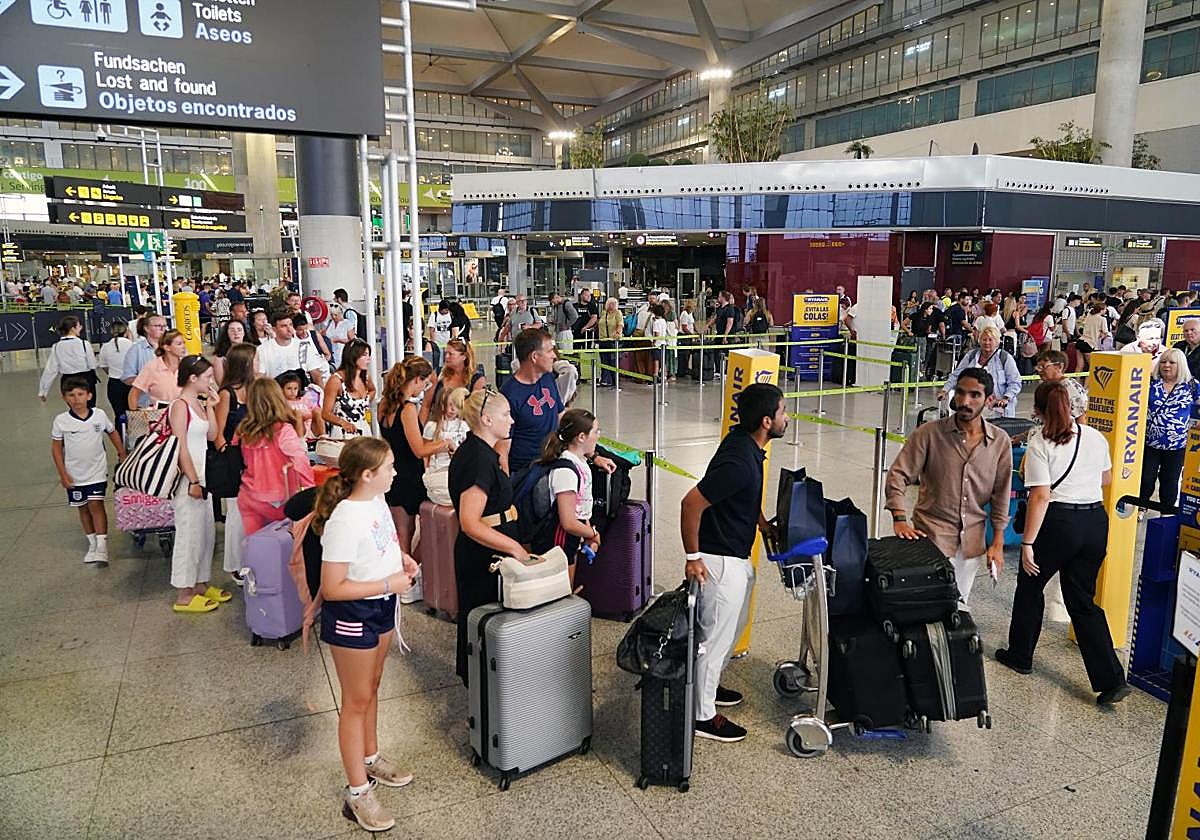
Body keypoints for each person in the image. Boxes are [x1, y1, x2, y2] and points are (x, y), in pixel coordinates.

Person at [995, 383, 1131, 706]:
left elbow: (1040, 496)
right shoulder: (1094, 436)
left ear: (1039, 411)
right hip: (1095, 522)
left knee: (1030, 584)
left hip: (1058, 523)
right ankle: (1111, 679)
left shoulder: (1040, 443)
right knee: (1081, 598)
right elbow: (1106, 479)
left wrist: (1028, 543)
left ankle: (1021, 655)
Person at [313, 436, 417, 832]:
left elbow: (381, 546)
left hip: (381, 604)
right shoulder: (343, 518)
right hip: (353, 611)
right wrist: (388, 583)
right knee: (355, 701)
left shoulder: (376, 503)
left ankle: (371, 757)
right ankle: (357, 791)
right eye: (389, 467)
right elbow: (333, 587)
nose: (396, 472)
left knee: (371, 687)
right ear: (367, 474)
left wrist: (400, 560)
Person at [681, 383, 786, 743]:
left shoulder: (747, 444)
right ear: (767, 421)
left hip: (737, 554)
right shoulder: (741, 461)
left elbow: (743, 496)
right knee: (715, 638)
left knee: (731, 630)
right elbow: (690, 503)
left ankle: (705, 688)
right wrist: (693, 557)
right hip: (718, 561)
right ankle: (701, 715)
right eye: (783, 413)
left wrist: (761, 524)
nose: (787, 418)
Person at [886, 367, 1011, 607]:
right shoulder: (929, 434)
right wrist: (899, 517)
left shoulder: (999, 442)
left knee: (959, 606)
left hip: (972, 541)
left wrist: (997, 542)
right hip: (931, 536)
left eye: (975, 395)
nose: (965, 401)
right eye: (961, 393)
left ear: (989, 400)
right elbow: (898, 474)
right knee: (927, 608)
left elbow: (1001, 495)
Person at [449, 388, 529, 685]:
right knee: (484, 619)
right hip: (484, 554)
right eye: (505, 414)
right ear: (486, 419)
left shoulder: (482, 452)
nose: (511, 420)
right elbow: (470, 522)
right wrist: (514, 548)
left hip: (491, 548)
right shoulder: (478, 459)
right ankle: (484, 688)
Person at [168, 355, 226, 614]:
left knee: (205, 533)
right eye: (207, 378)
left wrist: (211, 406)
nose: (211, 382)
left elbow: (212, 435)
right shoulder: (179, 406)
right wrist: (191, 479)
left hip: (203, 477)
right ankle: (184, 593)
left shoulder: (197, 404)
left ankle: (200, 584)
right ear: (192, 378)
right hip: (188, 479)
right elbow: (179, 446)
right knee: (189, 535)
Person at [50, 375, 126, 566]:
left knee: (96, 505)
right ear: (65, 398)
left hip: (96, 472)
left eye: (80, 394)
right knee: (83, 508)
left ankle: (102, 546)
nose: (76, 399)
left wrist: (121, 452)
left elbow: (112, 432)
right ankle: (91, 543)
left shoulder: (99, 415)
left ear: (89, 395)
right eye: (72, 395)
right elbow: (56, 449)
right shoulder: (61, 421)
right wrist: (63, 474)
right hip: (74, 475)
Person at [379, 357, 449, 556]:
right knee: (423, 531)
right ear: (417, 380)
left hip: (394, 472)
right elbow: (418, 449)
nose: (424, 390)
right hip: (410, 475)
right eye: (425, 384)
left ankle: (404, 576)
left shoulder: (384, 405)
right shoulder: (408, 409)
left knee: (402, 534)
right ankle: (410, 575)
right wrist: (445, 444)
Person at [235, 377, 315, 538]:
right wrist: (311, 488)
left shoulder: (243, 430)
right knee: (284, 552)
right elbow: (300, 461)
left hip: (249, 495)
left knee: (255, 549)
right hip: (280, 499)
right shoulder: (284, 430)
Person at [532, 408, 602, 588]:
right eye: (595, 431)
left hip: (572, 535)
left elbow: (580, 508)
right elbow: (568, 521)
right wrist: (593, 534)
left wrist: (587, 532)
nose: (599, 436)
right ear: (581, 437)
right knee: (561, 590)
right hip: (559, 537)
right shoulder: (566, 471)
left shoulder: (581, 463)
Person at [213, 342, 256, 585]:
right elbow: (219, 433)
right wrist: (229, 459)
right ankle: (235, 564)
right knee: (237, 516)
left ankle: (251, 560)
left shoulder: (255, 390)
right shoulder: (226, 394)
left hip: (255, 459)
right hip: (235, 460)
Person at [1140, 348, 1198, 511]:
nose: (1166, 365)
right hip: (1149, 442)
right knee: (1146, 478)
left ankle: (1166, 514)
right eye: (1164, 362)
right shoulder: (1151, 383)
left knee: (1170, 481)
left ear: (1180, 365)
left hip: (1177, 445)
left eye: (1172, 362)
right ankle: (1140, 508)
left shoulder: (1192, 385)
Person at [939, 326, 1022, 418]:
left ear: (997, 342)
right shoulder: (971, 355)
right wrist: (945, 390)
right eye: (984, 339)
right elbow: (957, 375)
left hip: (997, 409)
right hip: (973, 406)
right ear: (979, 340)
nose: (987, 342)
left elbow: (1015, 382)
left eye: (991, 340)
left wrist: (1006, 398)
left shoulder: (1005, 358)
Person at [419, 337, 485, 426]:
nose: (446, 357)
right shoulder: (438, 374)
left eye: (451, 354)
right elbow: (426, 405)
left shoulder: (477, 379)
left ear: (464, 356)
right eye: (446, 353)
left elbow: (475, 412)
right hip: (437, 426)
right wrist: (421, 430)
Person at [422, 386, 469, 507]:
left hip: (457, 468)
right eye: (449, 405)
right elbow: (425, 452)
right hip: (438, 469)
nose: (452, 409)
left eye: (455, 405)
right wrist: (426, 471)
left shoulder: (464, 426)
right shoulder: (432, 426)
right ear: (441, 405)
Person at [38, 316, 99, 407]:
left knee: (74, 409)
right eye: (78, 326)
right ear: (72, 329)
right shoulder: (84, 344)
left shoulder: (56, 346)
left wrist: (43, 391)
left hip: (68, 381)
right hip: (86, 380)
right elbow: (92, 365)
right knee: (90, 408)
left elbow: (50, 370)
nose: (80, 328)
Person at [323, 339, 376, 438]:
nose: (368, 359)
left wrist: (366, 400)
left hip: (364, 429)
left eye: (368, 355)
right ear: (353, 356)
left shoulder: (366, 377)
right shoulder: (336, 380)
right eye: (364, 355)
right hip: (344, 433)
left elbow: (373, 390)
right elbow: (325, 413)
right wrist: (343, 423)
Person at [256, 311, 326, 384]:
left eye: (290, 325)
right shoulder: (263, 349)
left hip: (300, 391)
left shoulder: (303, 346)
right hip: (274, 391)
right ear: (274, 329)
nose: (289, 329)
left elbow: (316, 374)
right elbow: (260, 375)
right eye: (284, 326)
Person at [128, 329, 186, 409]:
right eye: (179, 344)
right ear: (167, 347)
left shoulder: (187, 365)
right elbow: (134, 393)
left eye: (184, 343)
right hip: (161, 417)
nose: (184, 347)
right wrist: (134, 414)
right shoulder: (152, 367)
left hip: (187, 415)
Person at [97, 319, 133, 416]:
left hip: (114, 384)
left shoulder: (106, 346)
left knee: (119, 414)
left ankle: (120, 430)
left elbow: (104, 366)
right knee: (133, 415)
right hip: (131, 383)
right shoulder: (132, 345)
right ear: (126, 331)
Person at [280, 370, 325, 441]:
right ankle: (301, 442)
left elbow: (312, 411)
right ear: (282, 390)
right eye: (289, 388)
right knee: (297, 414)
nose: (292, 392)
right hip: (296, 430)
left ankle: (323, 436)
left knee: (318, 410)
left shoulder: (304, 399)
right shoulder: (283, 402)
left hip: (311, 428)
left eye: (295, 389)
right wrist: (302, 416)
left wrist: (306, 416)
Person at [293, 312, 330, 384]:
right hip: (302, 372)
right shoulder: (292, 339)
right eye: (300, 330)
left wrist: (322, 362)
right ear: (295, 329)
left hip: (320, 369)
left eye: (305, 329)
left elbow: (327, 354)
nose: (304, 332)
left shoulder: (315, 335)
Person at [211, 318, 247, 387]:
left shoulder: (252, 352)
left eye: (239, 330)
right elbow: (221, 382)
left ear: (244, 332)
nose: (236, 333)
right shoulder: (220, 357)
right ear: (227, 333)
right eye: (232, 330)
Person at [597, 297, 623, 387]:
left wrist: (617, 332)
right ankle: (604, 380)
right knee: (604, 361)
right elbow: (600, 323)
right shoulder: (604, 313)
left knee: (613, 362)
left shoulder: (618, 313)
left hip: (612, 341)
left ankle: (615, 382)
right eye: (611, 303)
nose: (612, 305)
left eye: (614, 303)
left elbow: (620, 324)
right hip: (602, 340)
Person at [324, 304, 356, 369]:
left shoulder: (347, 323)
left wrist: (338, 340)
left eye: (336, 315)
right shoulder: (329, 322)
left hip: (342, 352)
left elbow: (352, 340)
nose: (333, 317)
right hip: (330, 352)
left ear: (340, 313)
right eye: (332, 315)